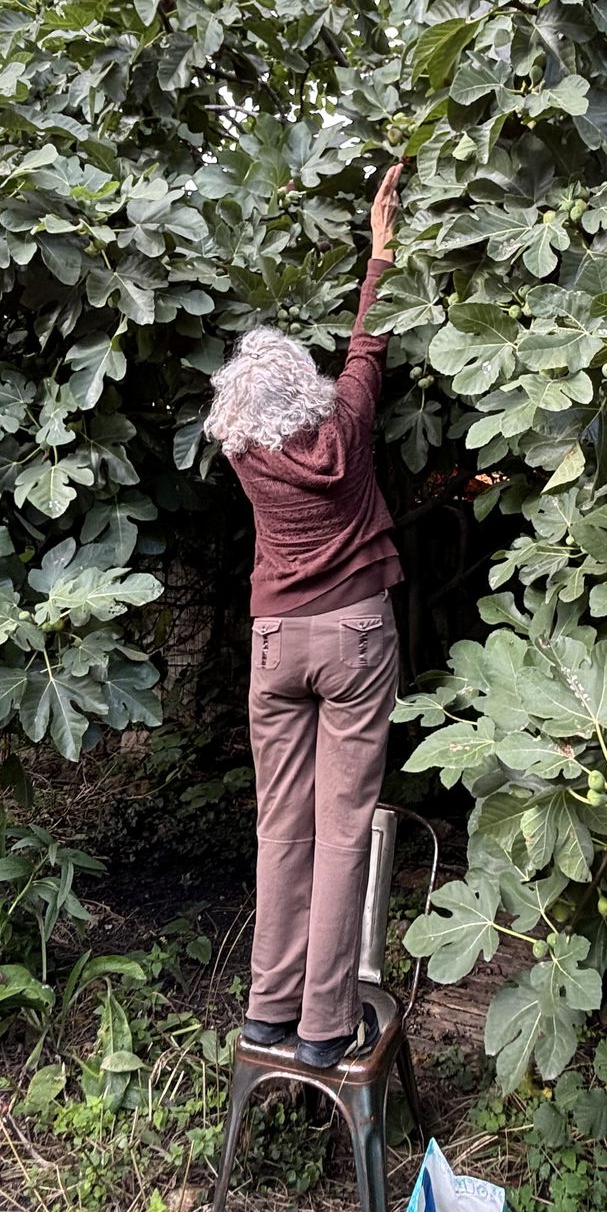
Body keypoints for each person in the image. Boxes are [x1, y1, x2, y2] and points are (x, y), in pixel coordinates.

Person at [203, 164, 405, 1069]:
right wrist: (382, 249)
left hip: (276, 643)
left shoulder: (245, 454)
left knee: (280, 823)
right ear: (310, 387)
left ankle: (266, 1011)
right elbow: (369, 343)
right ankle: (326, 1025)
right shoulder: (349, 424)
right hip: (357, 634)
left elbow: (258, 407)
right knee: (344, 823)